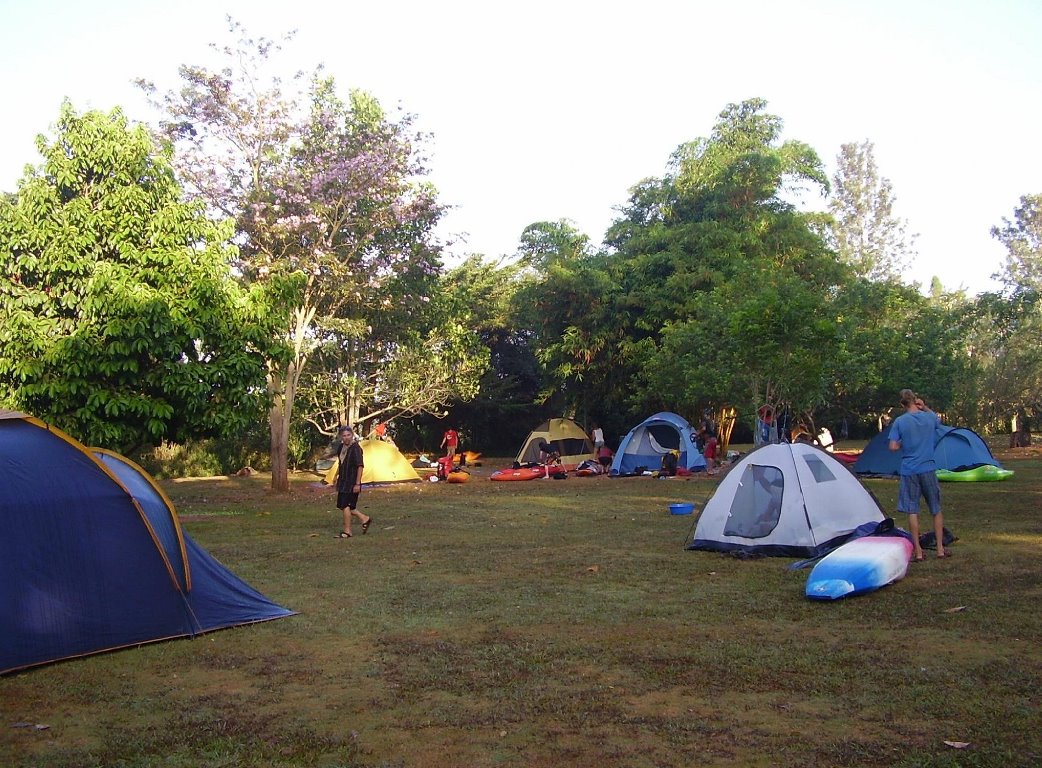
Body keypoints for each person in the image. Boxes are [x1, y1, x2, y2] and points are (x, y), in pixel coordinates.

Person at [888, 389, 946, 561]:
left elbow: (892, 447)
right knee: (935, 508)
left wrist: (902, 443)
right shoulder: (928, 417)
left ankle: (919, 552)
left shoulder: (900, 421)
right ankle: (940, 549)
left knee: (912, 509)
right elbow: (938, 421)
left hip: (909, 470)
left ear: (902, 404)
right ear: (915, 400)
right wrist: (925, 407)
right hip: (927, 468)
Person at [334, 426, 371, 538]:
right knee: (345, 506)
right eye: (344, 436)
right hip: (343, 481)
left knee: (345, 505)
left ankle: (347, 531)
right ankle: (365, 519)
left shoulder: (356, 449)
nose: (346, 438)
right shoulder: (341, 447)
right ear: (341, 437)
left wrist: (357, 483)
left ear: (352, 435)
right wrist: (336, 476)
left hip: (352, 482)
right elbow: (341, 463)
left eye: (348, 435)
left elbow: (360, 466)